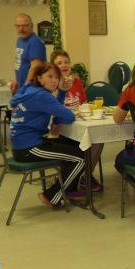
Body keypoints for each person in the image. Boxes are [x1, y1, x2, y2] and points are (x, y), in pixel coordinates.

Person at [10, 61, 85, 209]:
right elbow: (68, 116)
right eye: (49, 76)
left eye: (56, 77)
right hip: (29, 148)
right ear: (39, 78)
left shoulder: (28, 89)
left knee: (73, 145)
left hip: (21, 145)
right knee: (79, 159)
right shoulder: (41, 96)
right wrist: (58, 115)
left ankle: (67, 189)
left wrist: (61, 92)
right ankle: (51, 196)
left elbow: (56, 111)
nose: (54, 80)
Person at [50, 50, 105, 191]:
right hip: (61, 129)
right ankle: (71, 176)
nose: (64, 65)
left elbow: (84, 103)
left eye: (66, 62)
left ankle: (86, 176)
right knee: (81, 144)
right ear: (53, 67)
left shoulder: (77, 82)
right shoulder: (52, 84)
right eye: (59, 63)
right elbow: (53, 110)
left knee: (98, 139)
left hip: (79, 123)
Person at [11, 13, 46, 93]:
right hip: (22, 86)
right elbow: (21, 63)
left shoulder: (35, 42)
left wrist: (25, 87)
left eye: (25, 26)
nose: (21, 29)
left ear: (32, 26)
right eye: (18, 26)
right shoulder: (20, 40)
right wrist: (17, 80)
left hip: (31, 88)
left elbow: (35, 67)